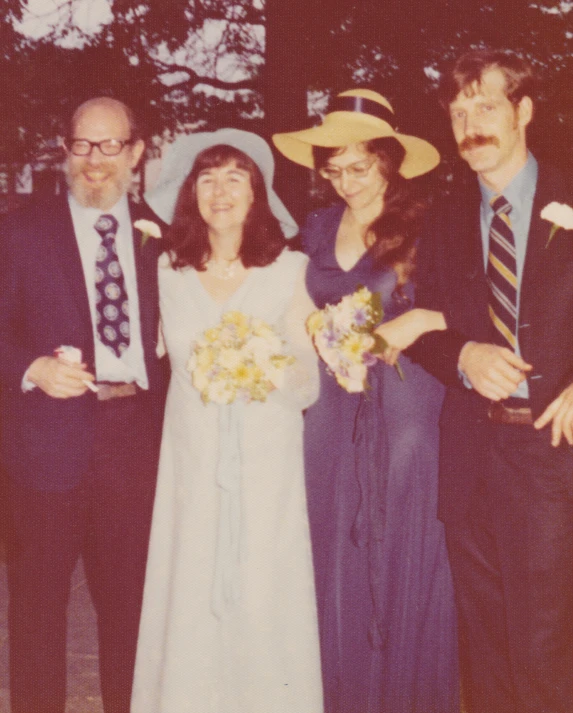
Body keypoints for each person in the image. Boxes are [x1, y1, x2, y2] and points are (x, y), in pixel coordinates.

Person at [380, 50, 573, 713]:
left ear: (522, 111)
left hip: (553, 455)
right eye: (458, 112)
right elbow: (430, 325)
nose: (469, 124)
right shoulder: (442, 218)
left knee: (548, 650)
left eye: (484, 106)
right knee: (485, 652)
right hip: (469, 456)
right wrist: (461, 355)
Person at [272, 90, 459, 713]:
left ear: (388, 161)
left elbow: (465, 306)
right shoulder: (319, 227)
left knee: (401, 539)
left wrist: (424, 317)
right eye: (334, 169)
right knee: (333, 541)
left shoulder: (432, 222)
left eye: (360, 168)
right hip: (329, 408)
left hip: (406, 405)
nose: (347, 182)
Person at [130, 129, 323, 713]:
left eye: (235, 177)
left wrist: (261, 370)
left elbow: (309, 378)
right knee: (188, 580)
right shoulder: (165, 270)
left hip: (267, 457)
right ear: (190, 192)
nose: (220, 191)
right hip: (191, 457)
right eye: (207, 178)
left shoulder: (290, 269)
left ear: (257, 192)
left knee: (264, 585)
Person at [0, 97, 166, 713]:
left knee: (129, 613)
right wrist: (30, 368)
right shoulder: (22, 229)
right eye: (82, 145)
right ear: (66, 148)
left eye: (110, 146)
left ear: (136, 151)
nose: (94, 161)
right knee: (38, 611)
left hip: (134, 443)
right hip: (45, 444)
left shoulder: (165, 234)